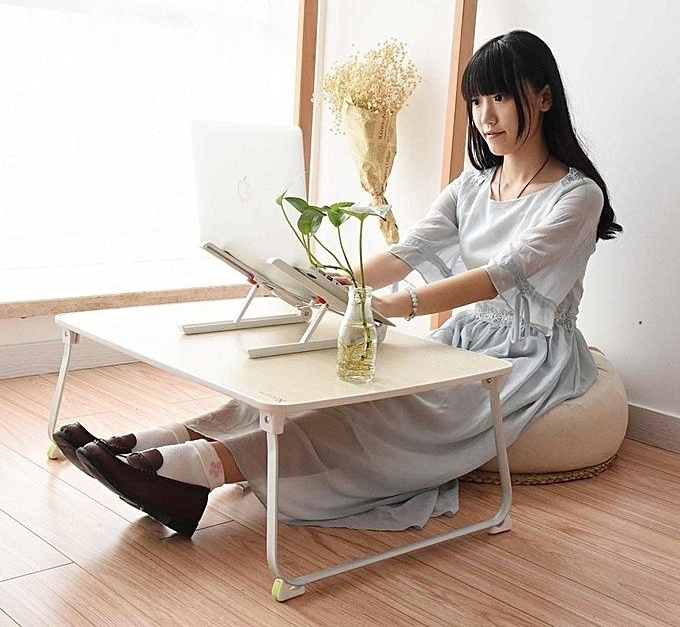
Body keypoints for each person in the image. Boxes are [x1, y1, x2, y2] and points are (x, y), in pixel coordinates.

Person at [54, 30, 621, 537]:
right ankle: (148, 447)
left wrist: (396, 305)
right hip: (464, 338)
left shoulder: (577, 196)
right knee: (310, 390)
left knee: (374, 415)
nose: (486, 116)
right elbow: (405, 252)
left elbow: (501, 276)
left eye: (500, 97)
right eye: (476, 101)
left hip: (526, 357)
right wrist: (334, 282)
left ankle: (192, 474)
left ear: (543, 98)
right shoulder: (473, 186)